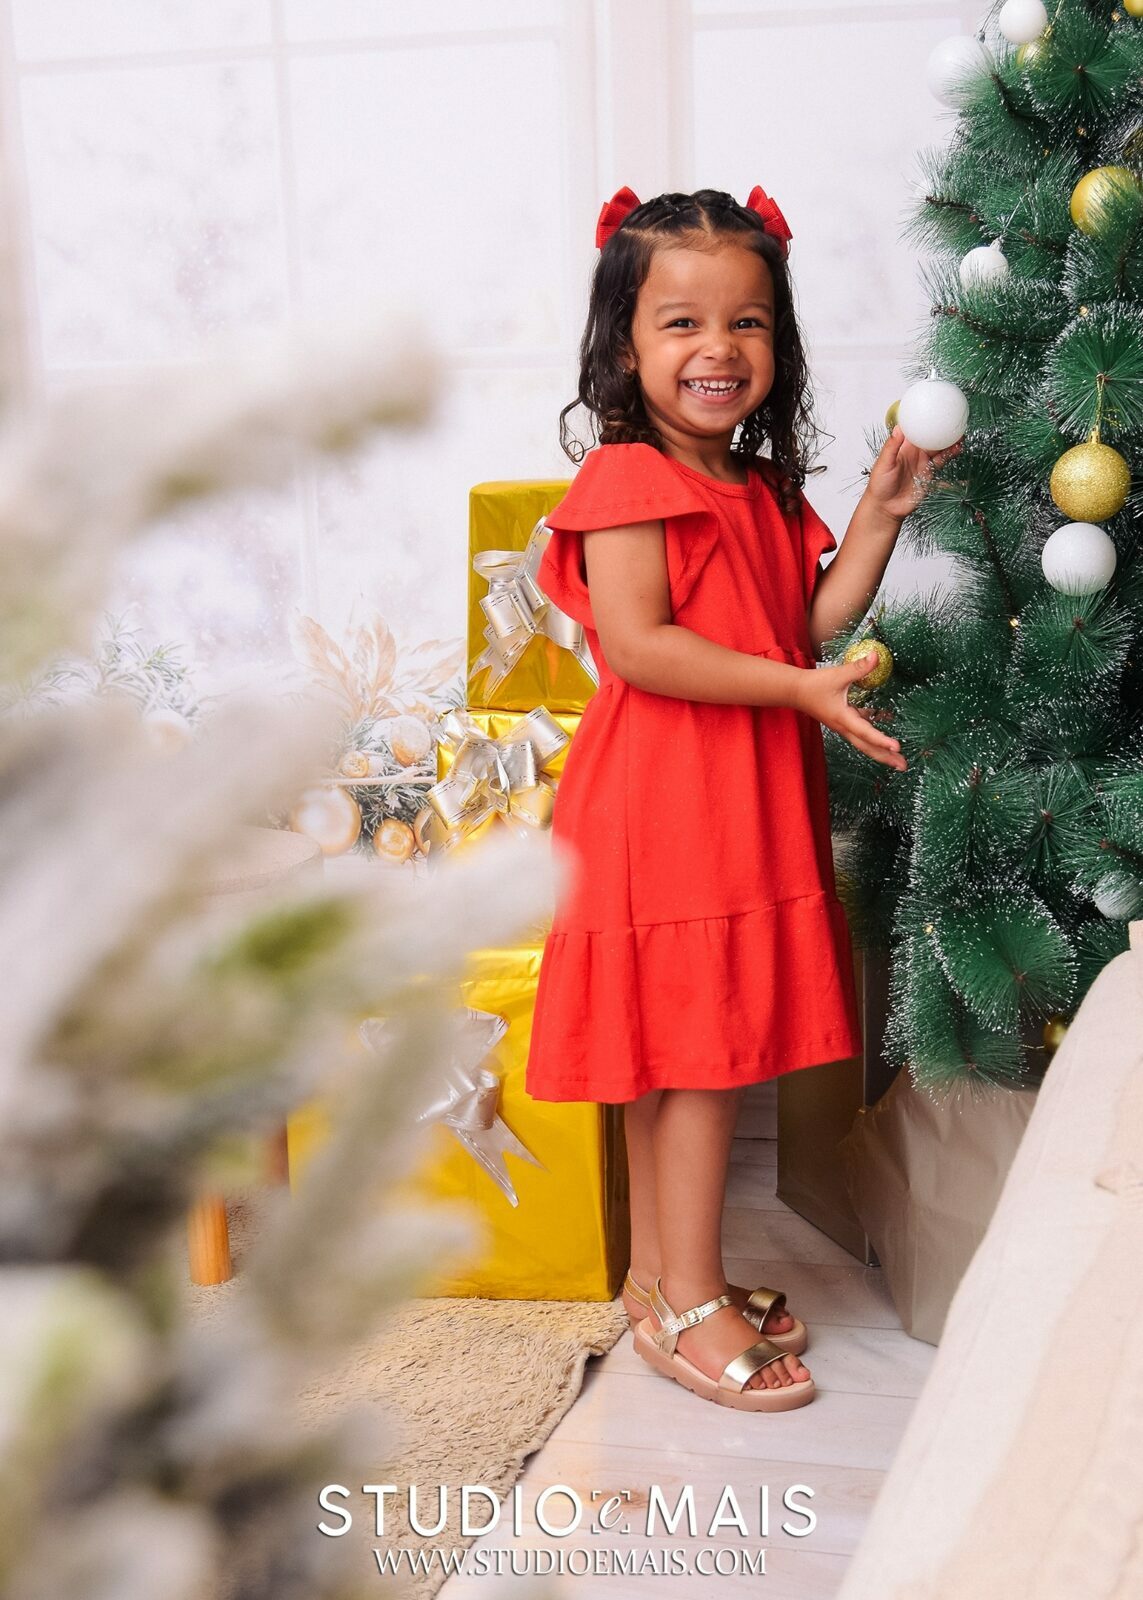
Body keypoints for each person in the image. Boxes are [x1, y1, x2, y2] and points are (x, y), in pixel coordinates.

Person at [523, 186, 962, 1413]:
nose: (718, 347)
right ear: (624, 346)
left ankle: (660, 1283)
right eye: (682, 322)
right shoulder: (624, 478)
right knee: (696, 1052)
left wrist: (876, 516)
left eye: (748, 322)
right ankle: (690, 1298)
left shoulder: (760, 489)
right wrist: (800, 690)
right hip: (663, 800)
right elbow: (641, 645)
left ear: (779, 340)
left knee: (690, 1049)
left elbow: (802, 622)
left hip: (737, 798)